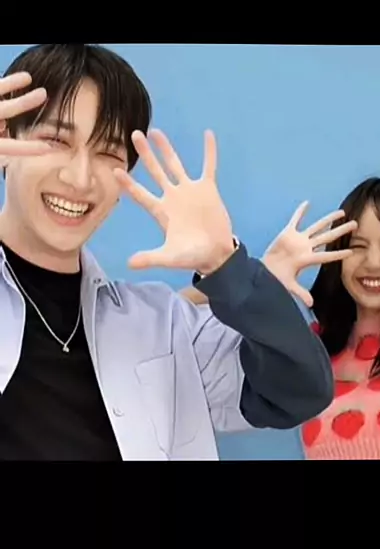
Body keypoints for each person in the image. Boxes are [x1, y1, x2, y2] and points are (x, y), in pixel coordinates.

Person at [0, 43, 344, 461]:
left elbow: (301, 390)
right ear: (6, 139)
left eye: (107, 152)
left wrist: (227, 268)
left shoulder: (164, 325)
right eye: (56, 140)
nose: (80, 177)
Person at [183, 176, 380, 459]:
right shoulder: (310, 348)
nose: (373, 262)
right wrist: (257, 277)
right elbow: (171, 327)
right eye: (357, 246)